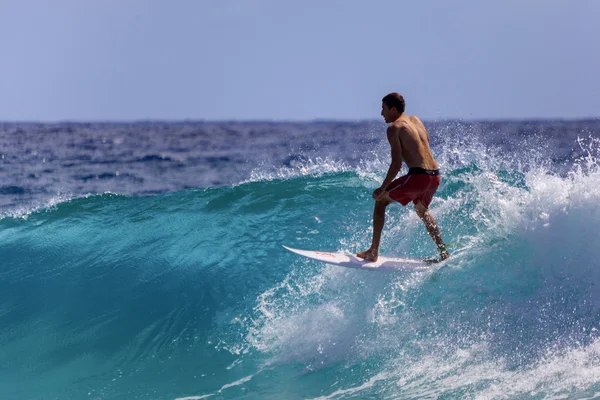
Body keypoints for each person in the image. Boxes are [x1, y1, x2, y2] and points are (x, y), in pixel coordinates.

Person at [357, 92, 449, 262]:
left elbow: (396, 164)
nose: (381, 113)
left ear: (393, 109)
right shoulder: (416, 120)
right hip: (435, 176)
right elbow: (425, 141)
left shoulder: (394, 128)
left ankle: (373, 251)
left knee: (380, 201)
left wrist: (382, 188)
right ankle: (443, 251)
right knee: (422, 210)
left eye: (383, 109)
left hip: (419, 177)